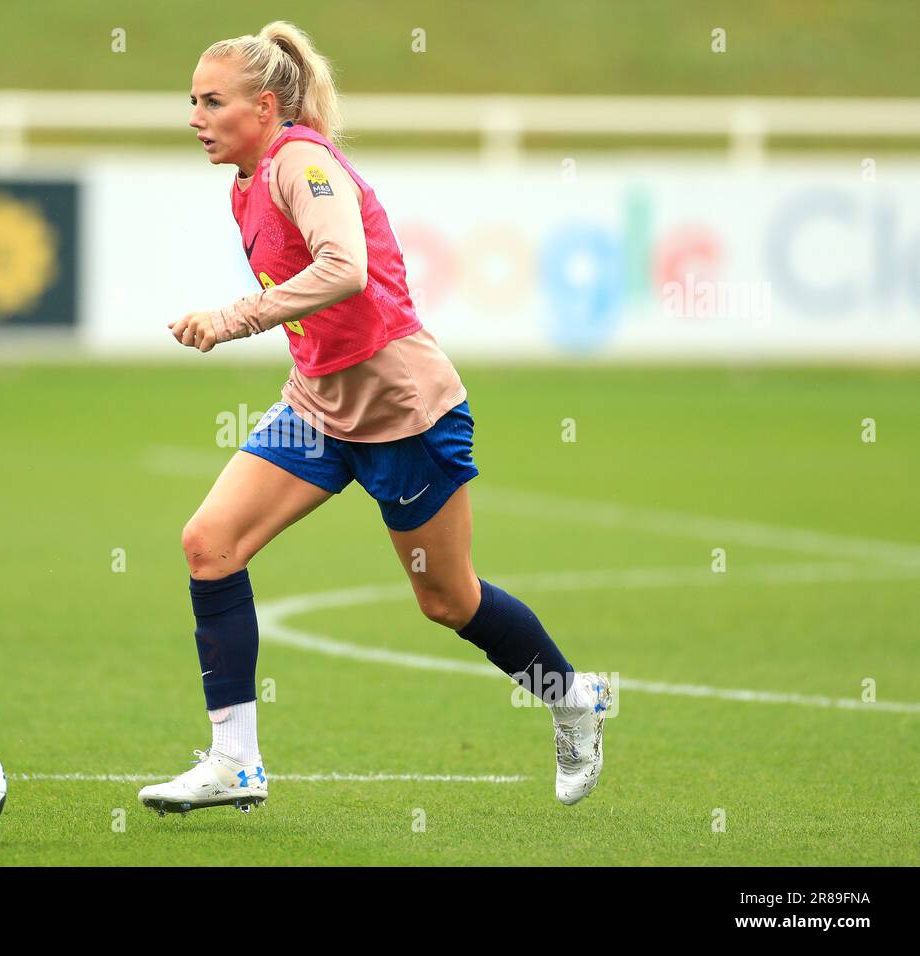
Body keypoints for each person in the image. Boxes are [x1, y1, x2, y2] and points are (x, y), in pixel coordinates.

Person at [140, 21, 610, 816]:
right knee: (208, 546)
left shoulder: (304, 163)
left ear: (263, 105)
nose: (195, 116)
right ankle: (235, 762)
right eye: (191, 100)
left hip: (404, 413)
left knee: (448, 601)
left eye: (211, 101)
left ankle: (572, 698)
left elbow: (346, 269)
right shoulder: (246, 181)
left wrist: (232, 318)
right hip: (317, 408)